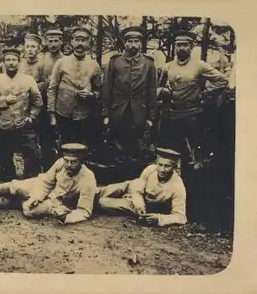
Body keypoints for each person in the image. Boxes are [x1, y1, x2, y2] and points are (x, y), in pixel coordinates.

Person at [157, 30, 228, 163]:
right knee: (167, 153)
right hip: (170, 116)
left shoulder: (200, 65)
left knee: (191, 155)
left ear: (191, 46)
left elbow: (222, 80)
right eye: (178, 45)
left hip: (191, 116)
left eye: (185, 45)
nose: (181, 48)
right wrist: (162, 91)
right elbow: (157, 87)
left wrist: (203, 94)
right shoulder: (168, 66)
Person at [0, 143, 97, 224]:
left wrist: (65, 217)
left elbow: (84, 210)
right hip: (44, 187)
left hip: (58, 201)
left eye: (73, 162)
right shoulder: (60, 163)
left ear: (81, 162)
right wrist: (37, 197)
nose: (68, 165)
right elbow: (47, 182)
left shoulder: (88, 178)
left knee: (29, 210)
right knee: (14, 186)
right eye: (66, 160)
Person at [0, 48, 43, 181]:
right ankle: (8, 176)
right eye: (8, 60)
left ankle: (30, 179)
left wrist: (31, 117)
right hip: (3, 124)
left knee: (31, 153)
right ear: (4, 62)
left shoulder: (28, 80)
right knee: (4, 154)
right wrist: (4, 101)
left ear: (19, 61)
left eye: (14, 60)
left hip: (24, 124)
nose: (11, 63)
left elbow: (37, 102)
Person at [102, 26, 158, 162]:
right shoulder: (115, 61)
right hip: (118, 111)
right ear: (125, 43)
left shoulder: (148, 63)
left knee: (137, 147)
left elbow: (152, 91)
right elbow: (107, 88)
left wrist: (150, 116)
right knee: (117, 147)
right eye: (130, 42)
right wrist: (106, 114)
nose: (133, 45)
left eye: (136, 42)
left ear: (140, 43)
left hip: (139, 112)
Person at [97, 148, 187, 227]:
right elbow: (136, 189)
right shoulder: (150, 170)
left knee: (103, 202)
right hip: (133, 192)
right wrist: (140, 206)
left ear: (174, 167)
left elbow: (181, 217)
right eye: (160, 165)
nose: (162, 170)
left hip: (139, 205)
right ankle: (87, 199)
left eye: (167, 166)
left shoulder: (178, 185)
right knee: (104, 191)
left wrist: (159, 219)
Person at [47, 26, 103, 149]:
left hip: (84, 116)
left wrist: (91, 95)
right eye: (77, 40)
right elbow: (52, 89)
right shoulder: (61, 63)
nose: (80, 44)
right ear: (72, 42)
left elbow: (99, 90)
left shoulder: (94, 66)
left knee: (82, 149)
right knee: (63, 148)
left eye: (83, 40)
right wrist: (52, 115)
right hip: (62, 114)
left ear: (88, 43)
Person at [38, 29, 65, 170]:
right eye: (50, 41)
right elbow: (34, 83)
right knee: (45, 139)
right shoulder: (41, 61)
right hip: (44, 105)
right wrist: (45, 84)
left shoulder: (66, 60)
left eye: (56, 41)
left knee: (62, 137)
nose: (53, 44)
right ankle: (47, 169)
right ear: (46, 42)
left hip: (61, 105)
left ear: (61, 41)